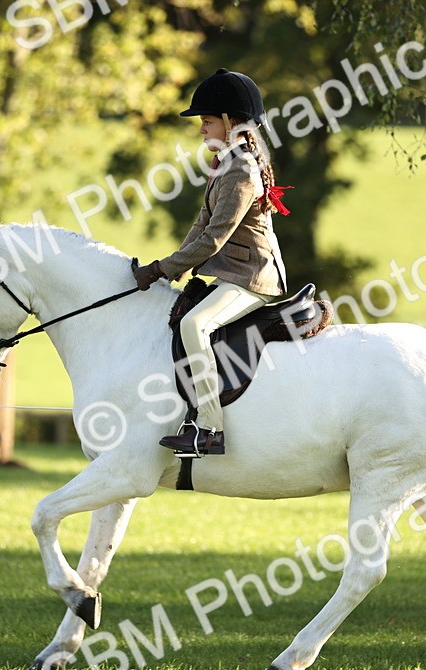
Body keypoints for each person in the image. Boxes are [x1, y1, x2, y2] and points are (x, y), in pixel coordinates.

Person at [132, 68, 291, 457]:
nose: (201, 129)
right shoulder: (225, 163)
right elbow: (200, 226)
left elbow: (215, 238)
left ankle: (209, 428)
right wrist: (170, 268)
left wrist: (162, 268)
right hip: (232, 274)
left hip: (252, 277)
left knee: (195, 324)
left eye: (207, 121)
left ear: (230, 122)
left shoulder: (241, 169)